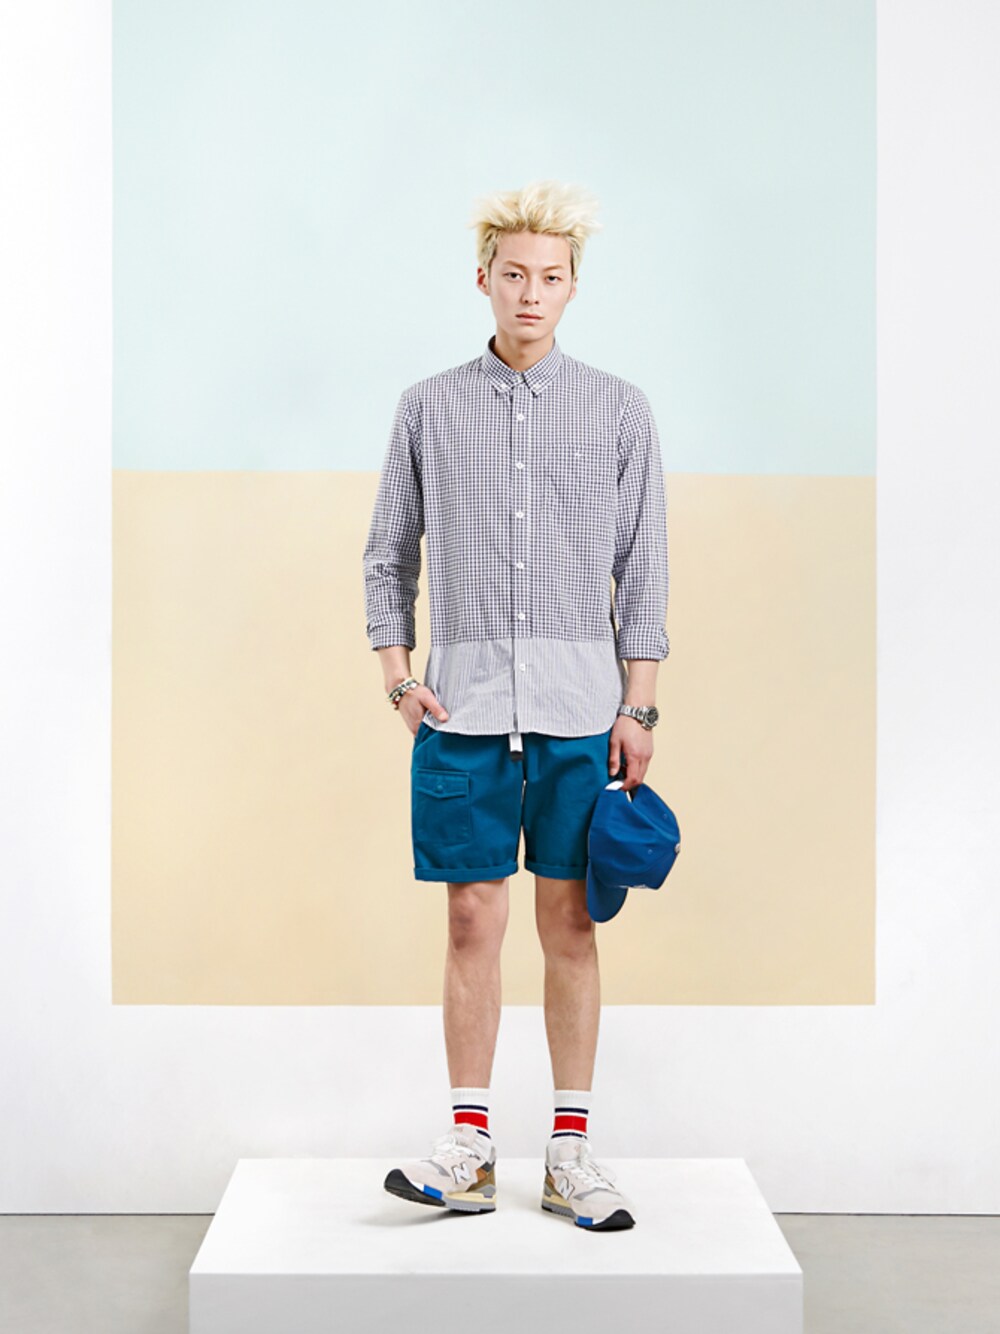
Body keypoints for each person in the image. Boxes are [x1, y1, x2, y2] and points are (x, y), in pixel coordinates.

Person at [363, 179, 669, 1231]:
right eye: (513, 274)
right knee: (469, 917)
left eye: (551, 277)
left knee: (570, 919)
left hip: (584, 710)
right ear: (483, 279)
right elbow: (387, 554)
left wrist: (640, 707)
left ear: (573, 286)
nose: (530, 293)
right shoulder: (427, 407)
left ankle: (571, 1153)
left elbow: (644, 568)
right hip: (464, 711)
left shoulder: (620, 409)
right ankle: (470, 1146)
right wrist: (399, 675)